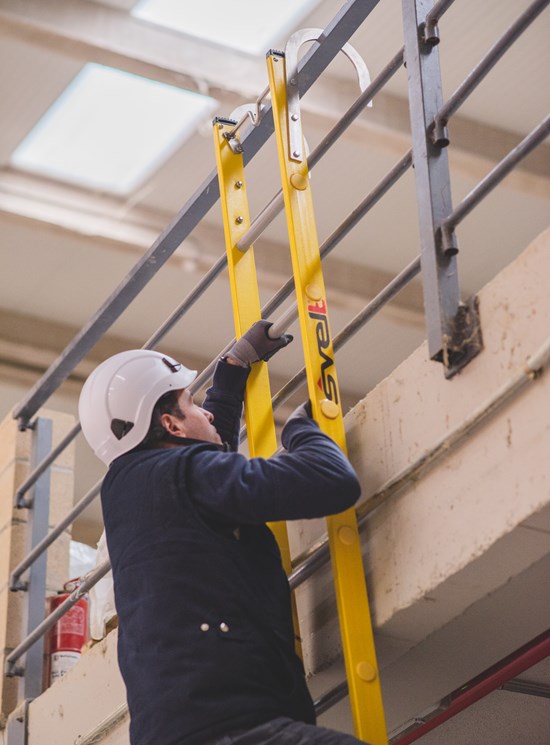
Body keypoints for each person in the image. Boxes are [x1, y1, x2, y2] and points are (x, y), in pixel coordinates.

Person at [79, 320, 366, 745]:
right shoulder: (183, 474)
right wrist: (305, 430)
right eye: (192, 403)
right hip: (235, 729)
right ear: (171, 426)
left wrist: (233, 371)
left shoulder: (134, 489)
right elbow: (331, 481)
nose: (206, 412)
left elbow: (210, 471)